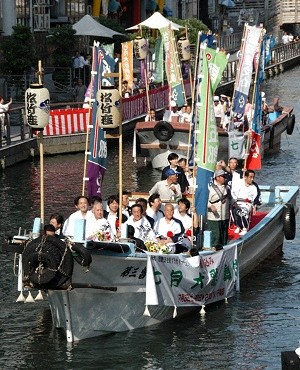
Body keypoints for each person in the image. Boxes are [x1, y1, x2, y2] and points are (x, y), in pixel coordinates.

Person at [231, 170, 259, 235]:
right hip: (238, 201)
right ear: (245, 177)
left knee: (242, 209)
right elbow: (234, 192)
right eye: (250, 177)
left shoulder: (253, 188)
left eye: (253, 177)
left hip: (247, 203)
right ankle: (238, 225)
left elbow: (253, 198)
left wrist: (253, 205)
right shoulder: (239, 184)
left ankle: (244, 227)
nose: (252, 179)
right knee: (233, 209)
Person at [207, 169, 230, 247]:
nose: (225, 178)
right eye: (223, 176)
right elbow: (204, 200)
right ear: (217, 177)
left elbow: (230, 198)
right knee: (215, 237)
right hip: (214, 217)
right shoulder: (210, 188)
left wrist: (236, 205)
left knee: (224, 237)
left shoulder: (227, 188)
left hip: (224, 216)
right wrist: (210, 206)